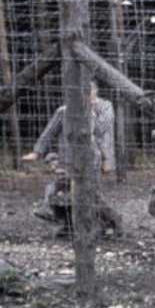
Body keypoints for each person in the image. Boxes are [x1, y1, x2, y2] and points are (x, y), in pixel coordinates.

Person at [25, 81, 121, 236]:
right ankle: (66, 224)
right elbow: (50, 130)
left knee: (89, 194)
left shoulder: (104, 107)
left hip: (92, 159)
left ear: (94, 92)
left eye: (88, 92)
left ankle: (110, 222)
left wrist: (107, 160)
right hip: (67, 158)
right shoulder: (64, 110)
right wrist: (37, 152)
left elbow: (101, 131)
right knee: (59, 190)